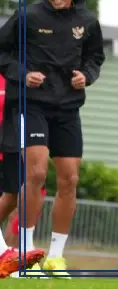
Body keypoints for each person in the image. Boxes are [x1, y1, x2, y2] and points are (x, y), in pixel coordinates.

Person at [0, 0, 105, 277]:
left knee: (70, 179)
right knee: (35, 172)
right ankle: (24, 253)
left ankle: (56, 256)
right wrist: (23, 73)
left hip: (68, 107)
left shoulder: (88, 21)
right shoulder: (27, 16)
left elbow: (95, 58)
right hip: (30, 104)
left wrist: (85, 76)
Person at [0, 75, 45, 278]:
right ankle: (8, 258)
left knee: (15, 201)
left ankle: (10, 257)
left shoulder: (12, 76)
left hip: (9, 148)